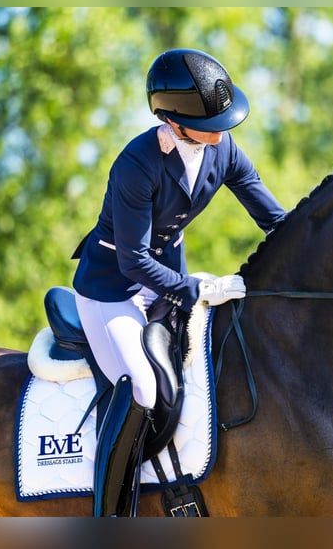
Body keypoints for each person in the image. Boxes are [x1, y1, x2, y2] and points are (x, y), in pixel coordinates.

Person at [71, 48, 287, 517]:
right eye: (213, 124)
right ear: (173, 121)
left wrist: (316, 250)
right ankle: (109, 513)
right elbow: (133, 261)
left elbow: (274, 219)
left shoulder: (222, 147)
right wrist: (193, 289)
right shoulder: (137, 163)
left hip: (162, 278)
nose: (224, 131)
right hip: (112, 287)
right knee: (143, 387)